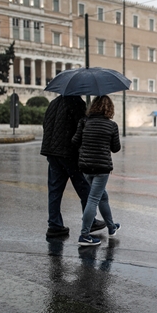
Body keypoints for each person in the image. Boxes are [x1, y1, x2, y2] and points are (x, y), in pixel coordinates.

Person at [40, 95, 106, 238]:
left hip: (52, 153)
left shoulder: (53, 103)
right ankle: (91, 221)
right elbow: (81, 127)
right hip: (69, 153)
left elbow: (45, 124)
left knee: (54, 191)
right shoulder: (76, 102)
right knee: (84, 188)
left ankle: (54, 225)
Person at [73, 95, 121, 246]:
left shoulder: (84, 122)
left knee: (102, 197)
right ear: (110, 108)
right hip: (102, 168)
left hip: (86, 167)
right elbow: (116, 148)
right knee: (93, 199)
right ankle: (84, 235)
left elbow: (75, 141)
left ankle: (112, 227)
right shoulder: (112, 125)